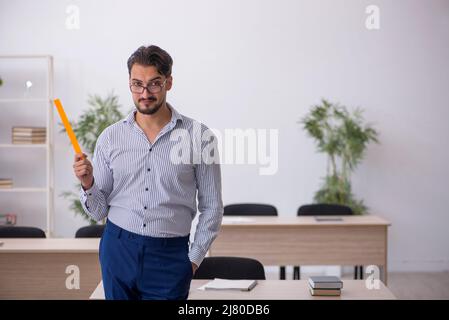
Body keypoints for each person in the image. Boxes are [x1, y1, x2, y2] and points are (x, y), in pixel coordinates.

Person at [73, 45, 223, 300]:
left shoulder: (200, 137)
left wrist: (193, 260)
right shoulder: (111, 137)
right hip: (117, 249)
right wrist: (88, 183)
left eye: (154, 84)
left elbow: (212, 207)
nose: (145, 93)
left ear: (169, 82)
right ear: (129, 84)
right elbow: (98, 211)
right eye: (137, 84)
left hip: (170, 256)